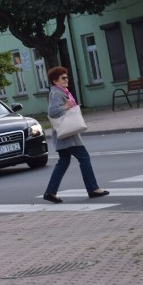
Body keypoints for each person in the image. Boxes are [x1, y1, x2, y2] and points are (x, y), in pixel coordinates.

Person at [42, 66, 109, 203]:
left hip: (65, 134)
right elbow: (52, 112)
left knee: (63, 162)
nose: (67, 80)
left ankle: (50, 192)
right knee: (84, 158)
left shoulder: (61, 92)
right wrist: (66, 106)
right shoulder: (56, 93)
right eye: (63, 78)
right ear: (55, 81)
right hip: (68, 135)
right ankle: (93, 189)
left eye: (67, 77)